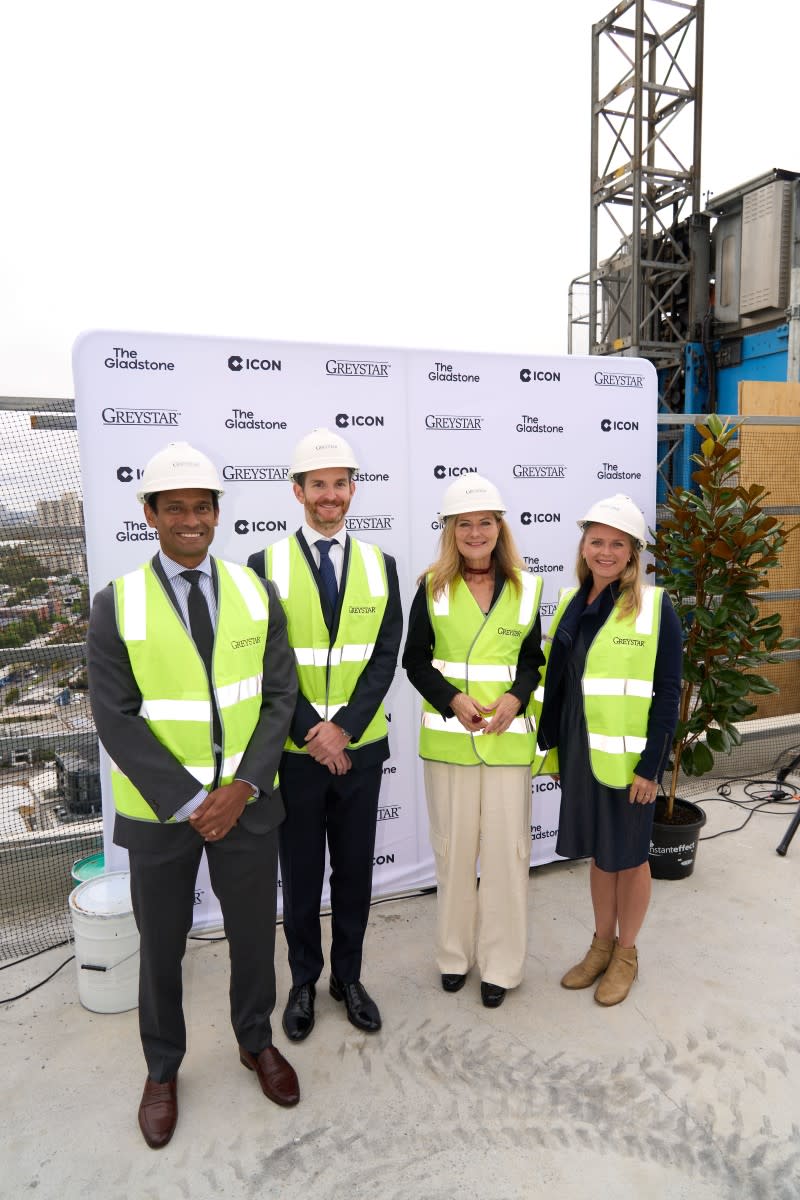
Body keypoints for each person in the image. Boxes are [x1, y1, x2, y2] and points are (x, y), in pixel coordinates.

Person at [87, 441, 300, 1150]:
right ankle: (162, 1070)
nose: (189, 520)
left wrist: (240, 788)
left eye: (200, 508)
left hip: (246, 805)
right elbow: (114, 716)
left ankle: (253, 1042)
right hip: (161, 817)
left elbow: (278, 698)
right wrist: (189, 800)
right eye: (173, 507)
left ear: (216, 515)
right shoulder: (117, 603)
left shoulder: (253, 592)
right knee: (162, 949)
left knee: (249, 938)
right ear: (149, 514)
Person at [248, 428, 402, 1041]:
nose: (330, 495)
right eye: (319, 485)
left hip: (360, 750)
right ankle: (304, 983)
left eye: (340, 484)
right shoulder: (264, 566)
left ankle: (349, 978)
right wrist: (315, 731)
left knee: (356, 873)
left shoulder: (379, 565)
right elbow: (266, 661)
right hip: (297, 752)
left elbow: (384, 657)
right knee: (304, 872)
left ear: (352, 489)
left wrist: (345, 731)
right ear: (298, 491)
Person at [402, 474, 544, 1008]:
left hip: (507, 741)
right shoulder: (432, 587)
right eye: (466, 524)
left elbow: (533, 659)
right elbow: (414, 661)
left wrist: (517, 698)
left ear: (499, 528)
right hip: (450, 742)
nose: (477, 532)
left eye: (486, 522)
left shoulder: (527, 588)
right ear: (451, 531)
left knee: (509, 855)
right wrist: (451, 700)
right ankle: (454, 956)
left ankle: (502, 966)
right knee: (454, 853)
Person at [535, 493, 681, 1006]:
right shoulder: (575, 602)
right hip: (581, 755)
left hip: (629, 763)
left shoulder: (656, 608)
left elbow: (667, 694)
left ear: (633, 552)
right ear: (583, 546)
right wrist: (554, 752)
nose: (605, 551)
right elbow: (562, 686)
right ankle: (600, 945)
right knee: (601, 855)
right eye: (596, 540)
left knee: (631, 858)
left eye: (616, 543)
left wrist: (650, 768)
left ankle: (627, 954)